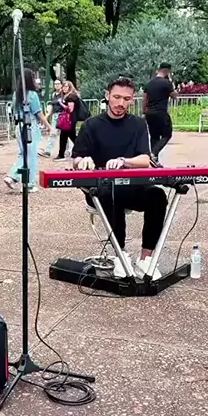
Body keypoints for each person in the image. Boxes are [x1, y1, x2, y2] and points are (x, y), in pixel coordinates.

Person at [72, 76, 167, 280]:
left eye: (126, 99)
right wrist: (83, 161)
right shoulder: (91, 125)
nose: (121, 103)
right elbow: (76, 158)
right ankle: (120, 255)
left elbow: (145, 159)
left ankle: (146, 259)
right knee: (112, 194)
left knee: (158, 196)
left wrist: (124, 161)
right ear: (107, 96)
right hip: (100, 189)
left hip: (133, 187)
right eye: (116, 97)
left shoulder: (138, 124)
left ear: (132, 100)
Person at [4, 69, 55, 193]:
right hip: (30, 126)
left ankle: (14, 176)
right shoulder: (32, 95)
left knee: (23, 154)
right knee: (31, 156)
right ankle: (27, 183)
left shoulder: (16, 94)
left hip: (19, 125)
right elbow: (38, 113)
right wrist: (49, 127)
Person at [143, 62, 178, 165]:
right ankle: (153, 154)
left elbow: (144, 99)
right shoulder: (166, 83)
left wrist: (144, 112)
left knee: (154, 136)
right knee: (167, 134)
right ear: (167, 71)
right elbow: (174, 96)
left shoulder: (149, 83)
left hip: (150, 113)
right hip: (161, 113)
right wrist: (171, 81)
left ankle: (154, 161)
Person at [39, 79, 65, 158]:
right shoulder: (53, 94)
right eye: (55, 84)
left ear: (61, 85)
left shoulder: (64, 94)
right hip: (55, 116)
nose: (57, 85)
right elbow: (51, 106)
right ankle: (48, 151)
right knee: (53, 133)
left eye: (58, 84)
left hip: (63, 116)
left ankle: (67, 150)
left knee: (65, 134)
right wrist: (47, 115)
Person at [57, 80, 81, 159]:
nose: (64, 88)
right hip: (70, 119)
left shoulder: (71, 96)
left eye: (66, 86)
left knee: (65, 136)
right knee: (70, 136)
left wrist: (61, 103)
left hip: (70, 119)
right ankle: (82, 150)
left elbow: (70, 109)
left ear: (70, 87)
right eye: (63, 86)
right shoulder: (69, 96)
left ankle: (61, 155)